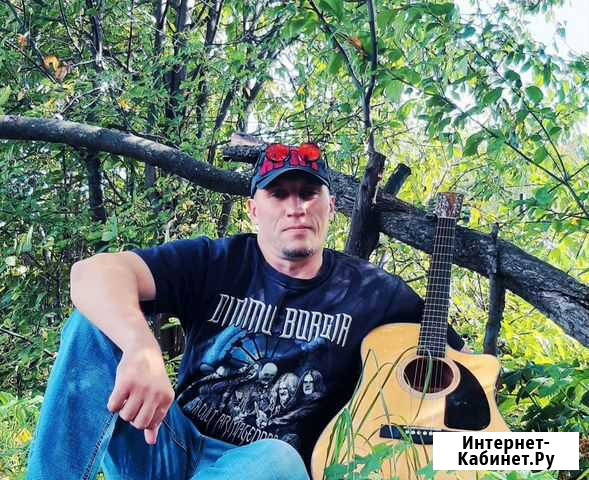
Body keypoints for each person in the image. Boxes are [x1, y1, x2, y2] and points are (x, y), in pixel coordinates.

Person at [27, 142, 466, 479]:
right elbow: (91, 273)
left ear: (331, 206)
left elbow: (458, 372)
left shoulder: (372, 293)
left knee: (277, 456)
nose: (296, 207)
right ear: (254, 209)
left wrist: (488, 454)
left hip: (264, 468)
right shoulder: (217, 261)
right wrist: (140, 346)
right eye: (279, 194)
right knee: (94, 326)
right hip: (167, 442)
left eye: (308, 193)